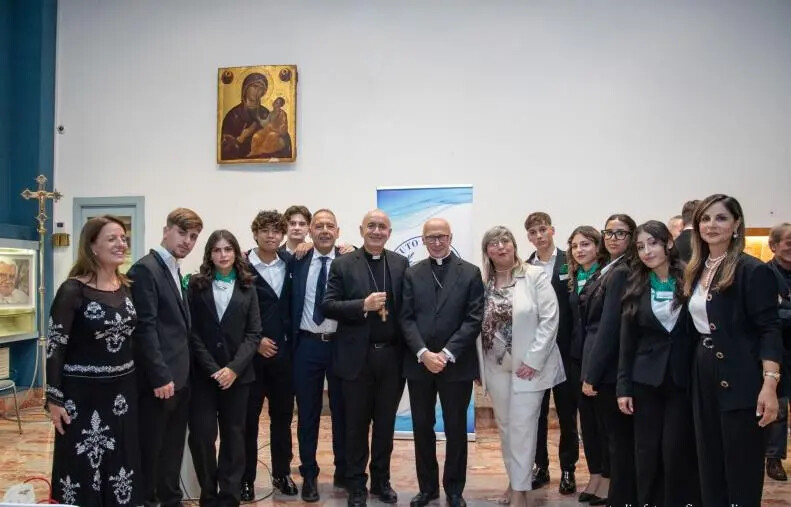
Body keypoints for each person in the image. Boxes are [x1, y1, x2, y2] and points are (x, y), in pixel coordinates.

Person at [683, 194, 782, 506]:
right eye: (706, 218)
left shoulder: (752, 270)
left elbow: (769, 328)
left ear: (737, 224)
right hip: (703, 371)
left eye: (721, 218)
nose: (712, 225)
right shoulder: (696, 268)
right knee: (709, 461)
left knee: (741, 465)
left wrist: (769, 383)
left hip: (742, 375)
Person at [46, 215, 140, 506]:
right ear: (92, 246)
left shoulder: (127, 286)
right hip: (82, 396)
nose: (121, 244)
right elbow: (55, 345)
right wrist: (54, 398)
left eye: (123, 238)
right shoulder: (72, 290)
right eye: (112, 238)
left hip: (122, 392)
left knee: (120, 461)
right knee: (81, 465)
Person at [322, 209, 409, 507]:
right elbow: (328, 306)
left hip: (391, 359)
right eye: (371, 226)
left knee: (385, 425)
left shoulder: (400, 263)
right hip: (356, 358)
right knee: (356, 425)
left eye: (382, 227)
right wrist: (363, 304)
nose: (376, 231)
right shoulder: (343, 264)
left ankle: (381, 481)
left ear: (389, 232)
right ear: (361, 230)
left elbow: (407, 312)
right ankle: (356, 483)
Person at [400, 218, 484, 507]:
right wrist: (423, 353)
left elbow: (474, 319)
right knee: (422, 426)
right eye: (431, 237)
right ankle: (427, 488)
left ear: (450, 237)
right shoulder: (412, 274)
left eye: (442, 236)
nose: (437, 242)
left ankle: (454, 489)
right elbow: (405, 318)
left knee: (456, 428)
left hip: (456, 365)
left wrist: (446, 354)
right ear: (423, 240)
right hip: (420, 364)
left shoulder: (471, 273)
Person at [616, 220, 700, 506]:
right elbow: (626, 342)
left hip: (682, 379)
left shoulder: (690, 279)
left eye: (652, 243)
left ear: (669, 243)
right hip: (645, 380)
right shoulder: (635, 285)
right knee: (646, 450)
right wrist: (623, 386)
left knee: (675, 449)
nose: (647, 251)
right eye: (640, 246)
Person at [477, 226, 562, 507]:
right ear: (487, 251)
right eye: (493, 243)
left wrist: (533, 359)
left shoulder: (534, 276)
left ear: (514, 245)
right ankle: (515, 484)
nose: (500, 247)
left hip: (528, 367)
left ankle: (520, 493)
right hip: (495, 366)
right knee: (505, 427)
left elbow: (550, 319)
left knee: (523, 427)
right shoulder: (485, 282)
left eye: (505, 241)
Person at [128, 208, 203, 507]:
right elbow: (144, 327)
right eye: (182, 233)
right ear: (166, 229)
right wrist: (160, 376)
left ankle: (171, 499)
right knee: (152, 448)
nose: (187, 241)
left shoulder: (173, 267)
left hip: (180, 378)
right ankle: (148, 500)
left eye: (193, 237)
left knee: (172, 447)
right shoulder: (146, 269)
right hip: (159, 381)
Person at [187, 230, 262, 507]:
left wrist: (233, 369)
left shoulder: (248, 286)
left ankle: (229, 497)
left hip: (238, 378)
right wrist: (213, 369)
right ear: (209, 254)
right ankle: (209, 493)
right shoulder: (196, 285)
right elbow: (192, 332)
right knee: (202, 435)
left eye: (228, 249)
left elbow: (254, 334)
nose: (223, 255)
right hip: (204, 377)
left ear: (235, 252)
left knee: (233, 436)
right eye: (217, 250)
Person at [289, 209, 347, 502]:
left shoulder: (349, 261)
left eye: (330, 226)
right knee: (308, 413)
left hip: (340, 346)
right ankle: (309, 474)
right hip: (307, 346)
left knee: (342, 412)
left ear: (338, 231)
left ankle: (342, 469)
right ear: (309, 231)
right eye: (318, 226)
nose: (324, 230)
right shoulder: (297, 261)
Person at [581, 214, 638, 507]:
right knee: (606, 435)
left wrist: (591, 373)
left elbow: (608, 327)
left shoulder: (621, 272)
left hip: (606, 367)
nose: (613, 238)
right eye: (609, 232)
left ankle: (621, 496)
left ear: (631, 237)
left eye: (621, 233)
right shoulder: (607, 268)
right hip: (596, 360)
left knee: (617, 439)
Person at [241, 210, 298, 501]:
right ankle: (246, 478)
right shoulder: (240, 265)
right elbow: (232, 312)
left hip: (284, 357)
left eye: (277, 230)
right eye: (265, 230)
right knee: (248, 421)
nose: (271, 235)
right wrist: (256, 340)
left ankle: (281, 472)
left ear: (283, 234)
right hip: (251, 358)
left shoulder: (291, 262)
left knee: (282, 418)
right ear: (255, 233)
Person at [524, 213, 578, 495]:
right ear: (529, 237)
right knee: (538, 414)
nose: (539, 236)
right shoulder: (524, 267)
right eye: (533, 232)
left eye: (543, 229)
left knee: (568, 415)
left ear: (552, 230)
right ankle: (541, 467)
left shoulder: (572, 261)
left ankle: (568, 469)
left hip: (567, 350)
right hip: (537, 353)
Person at [566, 226, 610, 504]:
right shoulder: (575, 276)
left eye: (586, 244)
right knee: (588, 423)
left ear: (598, 246)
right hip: (577, 358)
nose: (580, 250)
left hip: (600, 359)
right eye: (574, 246)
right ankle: (594, 475)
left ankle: (608, 477)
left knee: (605, 423)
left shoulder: (606, 276)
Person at [765, 222, 791, 482]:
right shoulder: (764, 274)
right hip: (777, 352)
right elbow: (770, 316)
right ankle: (773, 459)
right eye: (788, 242)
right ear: (773, 246)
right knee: (779, 408)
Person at [220, 72, 292, 160]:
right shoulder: (233, 114)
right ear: (246, 88)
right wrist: (240, 139)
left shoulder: (265, 112)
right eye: (254, 87)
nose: (258, 91)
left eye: (261, 88)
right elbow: (224, 148)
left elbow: (283, 137)